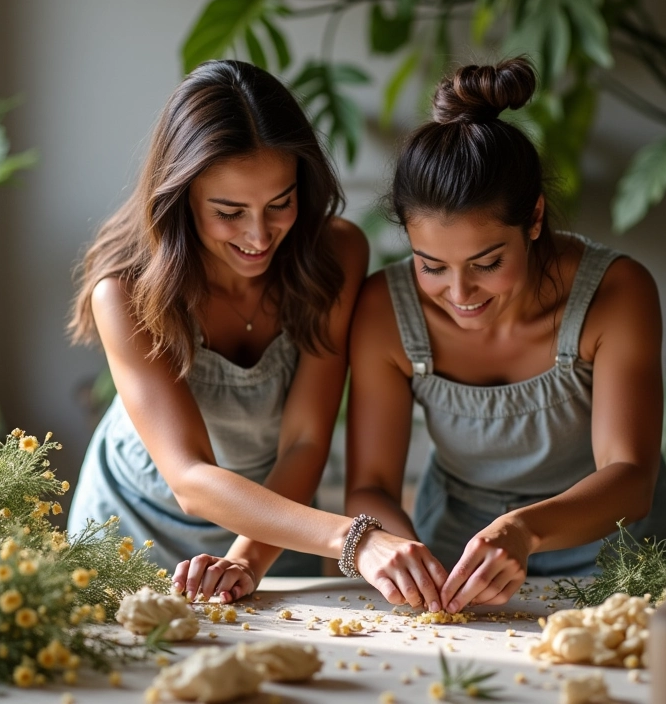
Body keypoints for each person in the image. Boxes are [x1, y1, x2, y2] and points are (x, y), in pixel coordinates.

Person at [67, 59, 447, 610]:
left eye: (280, 203)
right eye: (229, 211)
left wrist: (246, 559)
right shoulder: (123, 289)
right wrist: (353, 538)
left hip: (276, 522)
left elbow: (305, 441)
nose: (259, 234)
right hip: (131, 529)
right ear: (182, 197)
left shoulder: (335, 254)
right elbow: (191, 478)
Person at [345, 58, 666, 615]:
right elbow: (372, 485)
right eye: (431, 265)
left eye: (487, 261)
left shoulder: (616, 292)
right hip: (455, 556)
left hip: (615, 551)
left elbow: (629, 476)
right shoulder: (386, 309)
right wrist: (393, 549)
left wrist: (524, 530)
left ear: (533, 218)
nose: (460, 292)